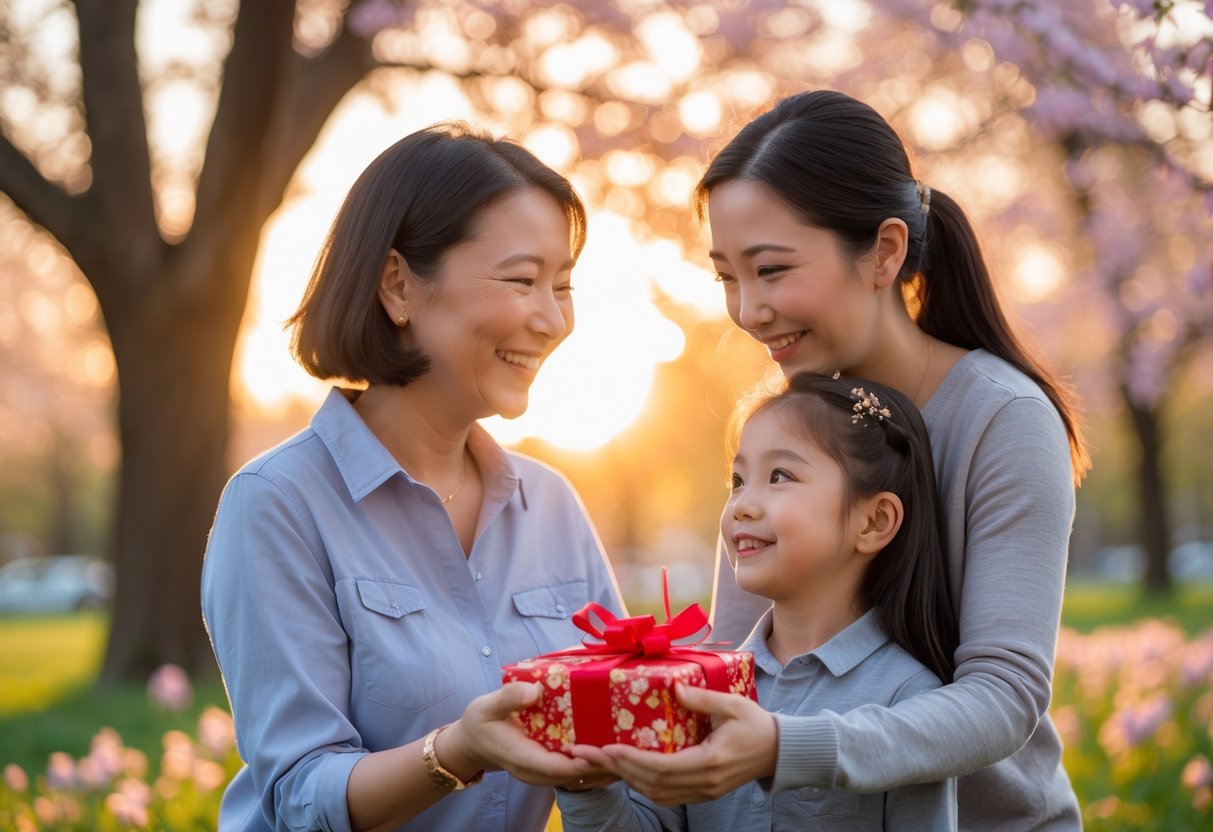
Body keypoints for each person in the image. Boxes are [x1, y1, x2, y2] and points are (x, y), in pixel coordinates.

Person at [576, 90, 1090, 830]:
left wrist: (790, 747)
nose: (748, 310)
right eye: (727, 276)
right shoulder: (785, 422)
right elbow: (741, 664)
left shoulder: (1001, 420)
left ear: (883, 252)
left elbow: (1003, 696)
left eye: (772, 270)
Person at [200, 123, 625, 832]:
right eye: (522, 280)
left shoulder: (549, 503)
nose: (552, 319)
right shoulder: (277, 504)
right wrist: (456, 750)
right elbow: (299, 795)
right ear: (398, 285)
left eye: (563, 285)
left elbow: (619, 722)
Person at [557, 372, 959, 830]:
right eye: (737, 480)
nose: (742, 505)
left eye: (779, 476)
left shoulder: (908, 698)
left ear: (873, 521)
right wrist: (586, 786)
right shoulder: (703, 686)